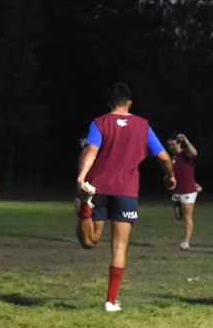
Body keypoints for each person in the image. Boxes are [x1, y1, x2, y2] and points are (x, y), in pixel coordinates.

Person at [74, 83, 174, 312]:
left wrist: (81, 178)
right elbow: (164, 157)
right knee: (120, 245)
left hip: (97, 188)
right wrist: (170, 176)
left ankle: (85, 211)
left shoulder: (99, 123)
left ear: (110, 104)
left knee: (89, 242)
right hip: (127, 191)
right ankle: (111, 301)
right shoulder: (143, 126)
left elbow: (91, 151)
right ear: (129, 103)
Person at [167, 133, 198, 250]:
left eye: (173, 145)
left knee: (187, 216)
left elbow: (195, 153)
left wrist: (186, 140)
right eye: (169, 145)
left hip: (187, 190)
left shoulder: (185, 153)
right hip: (177, 191)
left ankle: (186, 242)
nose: (171, 147)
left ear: (179, 144)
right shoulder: (173, 158)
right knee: (177, 216)